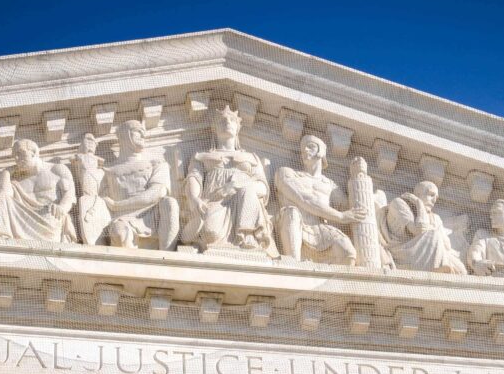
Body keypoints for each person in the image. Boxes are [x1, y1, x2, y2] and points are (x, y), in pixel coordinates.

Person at [184, 105, 271, 250]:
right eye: (222, 121)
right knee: (210, 233)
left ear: (238, 128)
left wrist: (237, 185)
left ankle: (248, 234)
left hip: (246, 204)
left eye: (232, 120)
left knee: (248, 188)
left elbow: (262, 188)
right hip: (215, 201)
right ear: (214, 127)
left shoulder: (251, 158)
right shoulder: (201, 156)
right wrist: (194, 198)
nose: (227, 123)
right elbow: (194, 178)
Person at [275, 134, 366, 265]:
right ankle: (293, 265)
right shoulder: (287, 173)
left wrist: (359, 175)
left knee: (349, 254)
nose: (305, 150)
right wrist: (340, 216)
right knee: (292, 212)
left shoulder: (330, 186)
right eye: (303, 148)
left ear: (321, 152)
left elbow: (353, 209)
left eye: (310, 147)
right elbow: (304, 199)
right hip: (294, 227)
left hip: (319, 230)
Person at [102, 121, 179, 251]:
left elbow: (156, 194)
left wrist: (116, 205)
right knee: (119, 233)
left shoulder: (157, 164)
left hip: (153, 215)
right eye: (138, 131)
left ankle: (167, 258)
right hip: (122, 218)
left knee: (170, 203)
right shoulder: (107, 171)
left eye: (144, 132)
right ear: (124, 134)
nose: (143, 135)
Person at [0, 139, 77, 242]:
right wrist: (6, 172)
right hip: (21, 222)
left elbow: (69, 194)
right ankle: (0, 236)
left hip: (49, 221)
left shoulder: (57, 169)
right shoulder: (15, 179)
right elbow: (2, 197)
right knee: (2, 196)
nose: (16, 159)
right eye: (15, 156)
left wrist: (62, 207)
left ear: (33, 153)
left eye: (20, 153)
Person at [381, 180, 467, 274]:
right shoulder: (399, 204)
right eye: (431, 195)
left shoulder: (435, 218)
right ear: (418, 194)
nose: (434, 201)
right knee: (433, 235)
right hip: (402, 252)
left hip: (427, 251)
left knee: (461, 270)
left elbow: (447, 245)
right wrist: (419, 204)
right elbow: (418, 229)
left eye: (436, 197)